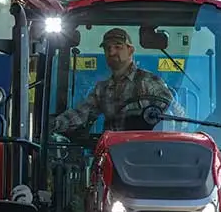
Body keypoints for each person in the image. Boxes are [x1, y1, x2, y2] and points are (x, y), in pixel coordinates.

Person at [50, 27, 183, 137]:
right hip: (112, 155)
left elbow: (176, 117)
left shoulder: (149, 82)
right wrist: (53, 125)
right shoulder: (102, 89)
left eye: (118, 47)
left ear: (130, 50)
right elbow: (81, 114)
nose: (111, 52)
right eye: (107, 48)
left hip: (146, 154)